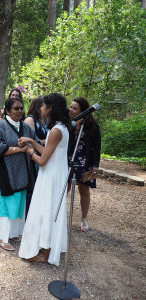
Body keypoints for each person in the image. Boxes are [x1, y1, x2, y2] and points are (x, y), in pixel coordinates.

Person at [18, 93, 71, 265]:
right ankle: (47, 247)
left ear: (51, 108)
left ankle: (45, 252)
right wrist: (32, 141)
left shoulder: (56, 131)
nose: (40, 108)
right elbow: (48, 150)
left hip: (50, 177)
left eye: (43, 106)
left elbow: (42, 160)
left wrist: (29, 151)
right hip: (54, 174)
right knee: (48, 211)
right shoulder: (61, 127)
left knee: (45, 211)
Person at [0, 98, 38, 251]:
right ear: (7, 111)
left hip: (22, 169)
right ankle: (0, 236)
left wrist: (30, 145)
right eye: (16, 108)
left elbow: (35, 142)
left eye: (21, 108)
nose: (20, 111)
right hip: (5, 170)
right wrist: (20, 149)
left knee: (19, 201)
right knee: (5, 201)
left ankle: (13, 232)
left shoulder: (26, 127)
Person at [68, 97, 101, 232]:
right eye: (71, 107)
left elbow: (97, 146)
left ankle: (84, 218)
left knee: (84, 190)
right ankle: (59, 217)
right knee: (65, 187)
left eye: (74, 108)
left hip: (85, 160)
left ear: (83, 111)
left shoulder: (92, 125)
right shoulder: (69, 123)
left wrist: (95, 165)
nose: (71, 110)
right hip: (69, 159)